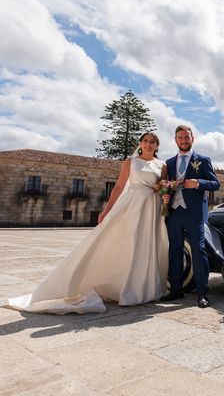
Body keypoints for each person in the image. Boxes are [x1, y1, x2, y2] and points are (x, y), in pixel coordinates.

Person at [5, 133, 168, 314]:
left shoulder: (162, 165)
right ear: (140, 143)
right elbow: (120, 186)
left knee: (147, 245)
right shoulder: (130, 161)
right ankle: (125, 289)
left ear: (156, 146)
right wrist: (106, 210)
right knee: (129, 242)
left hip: (152, 207)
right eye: (145, 141)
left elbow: (161, 186)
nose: (148, 144)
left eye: (152, 142)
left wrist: (165, 194)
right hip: (133, 204)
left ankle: (143, 289)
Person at [161, 125, 219, 308]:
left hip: (194, 214)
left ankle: (202, 293)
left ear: (192, 139)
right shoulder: (169, 163)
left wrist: (198, 183)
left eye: (187, 137)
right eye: (180, 137)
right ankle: (176, 290)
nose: (184, 140)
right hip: (174, 213)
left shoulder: (203, 160)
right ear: (175, 140)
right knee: (175, 251)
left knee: (199, 251)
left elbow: (215, 184)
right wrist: (165, 194)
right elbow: (164, 185)